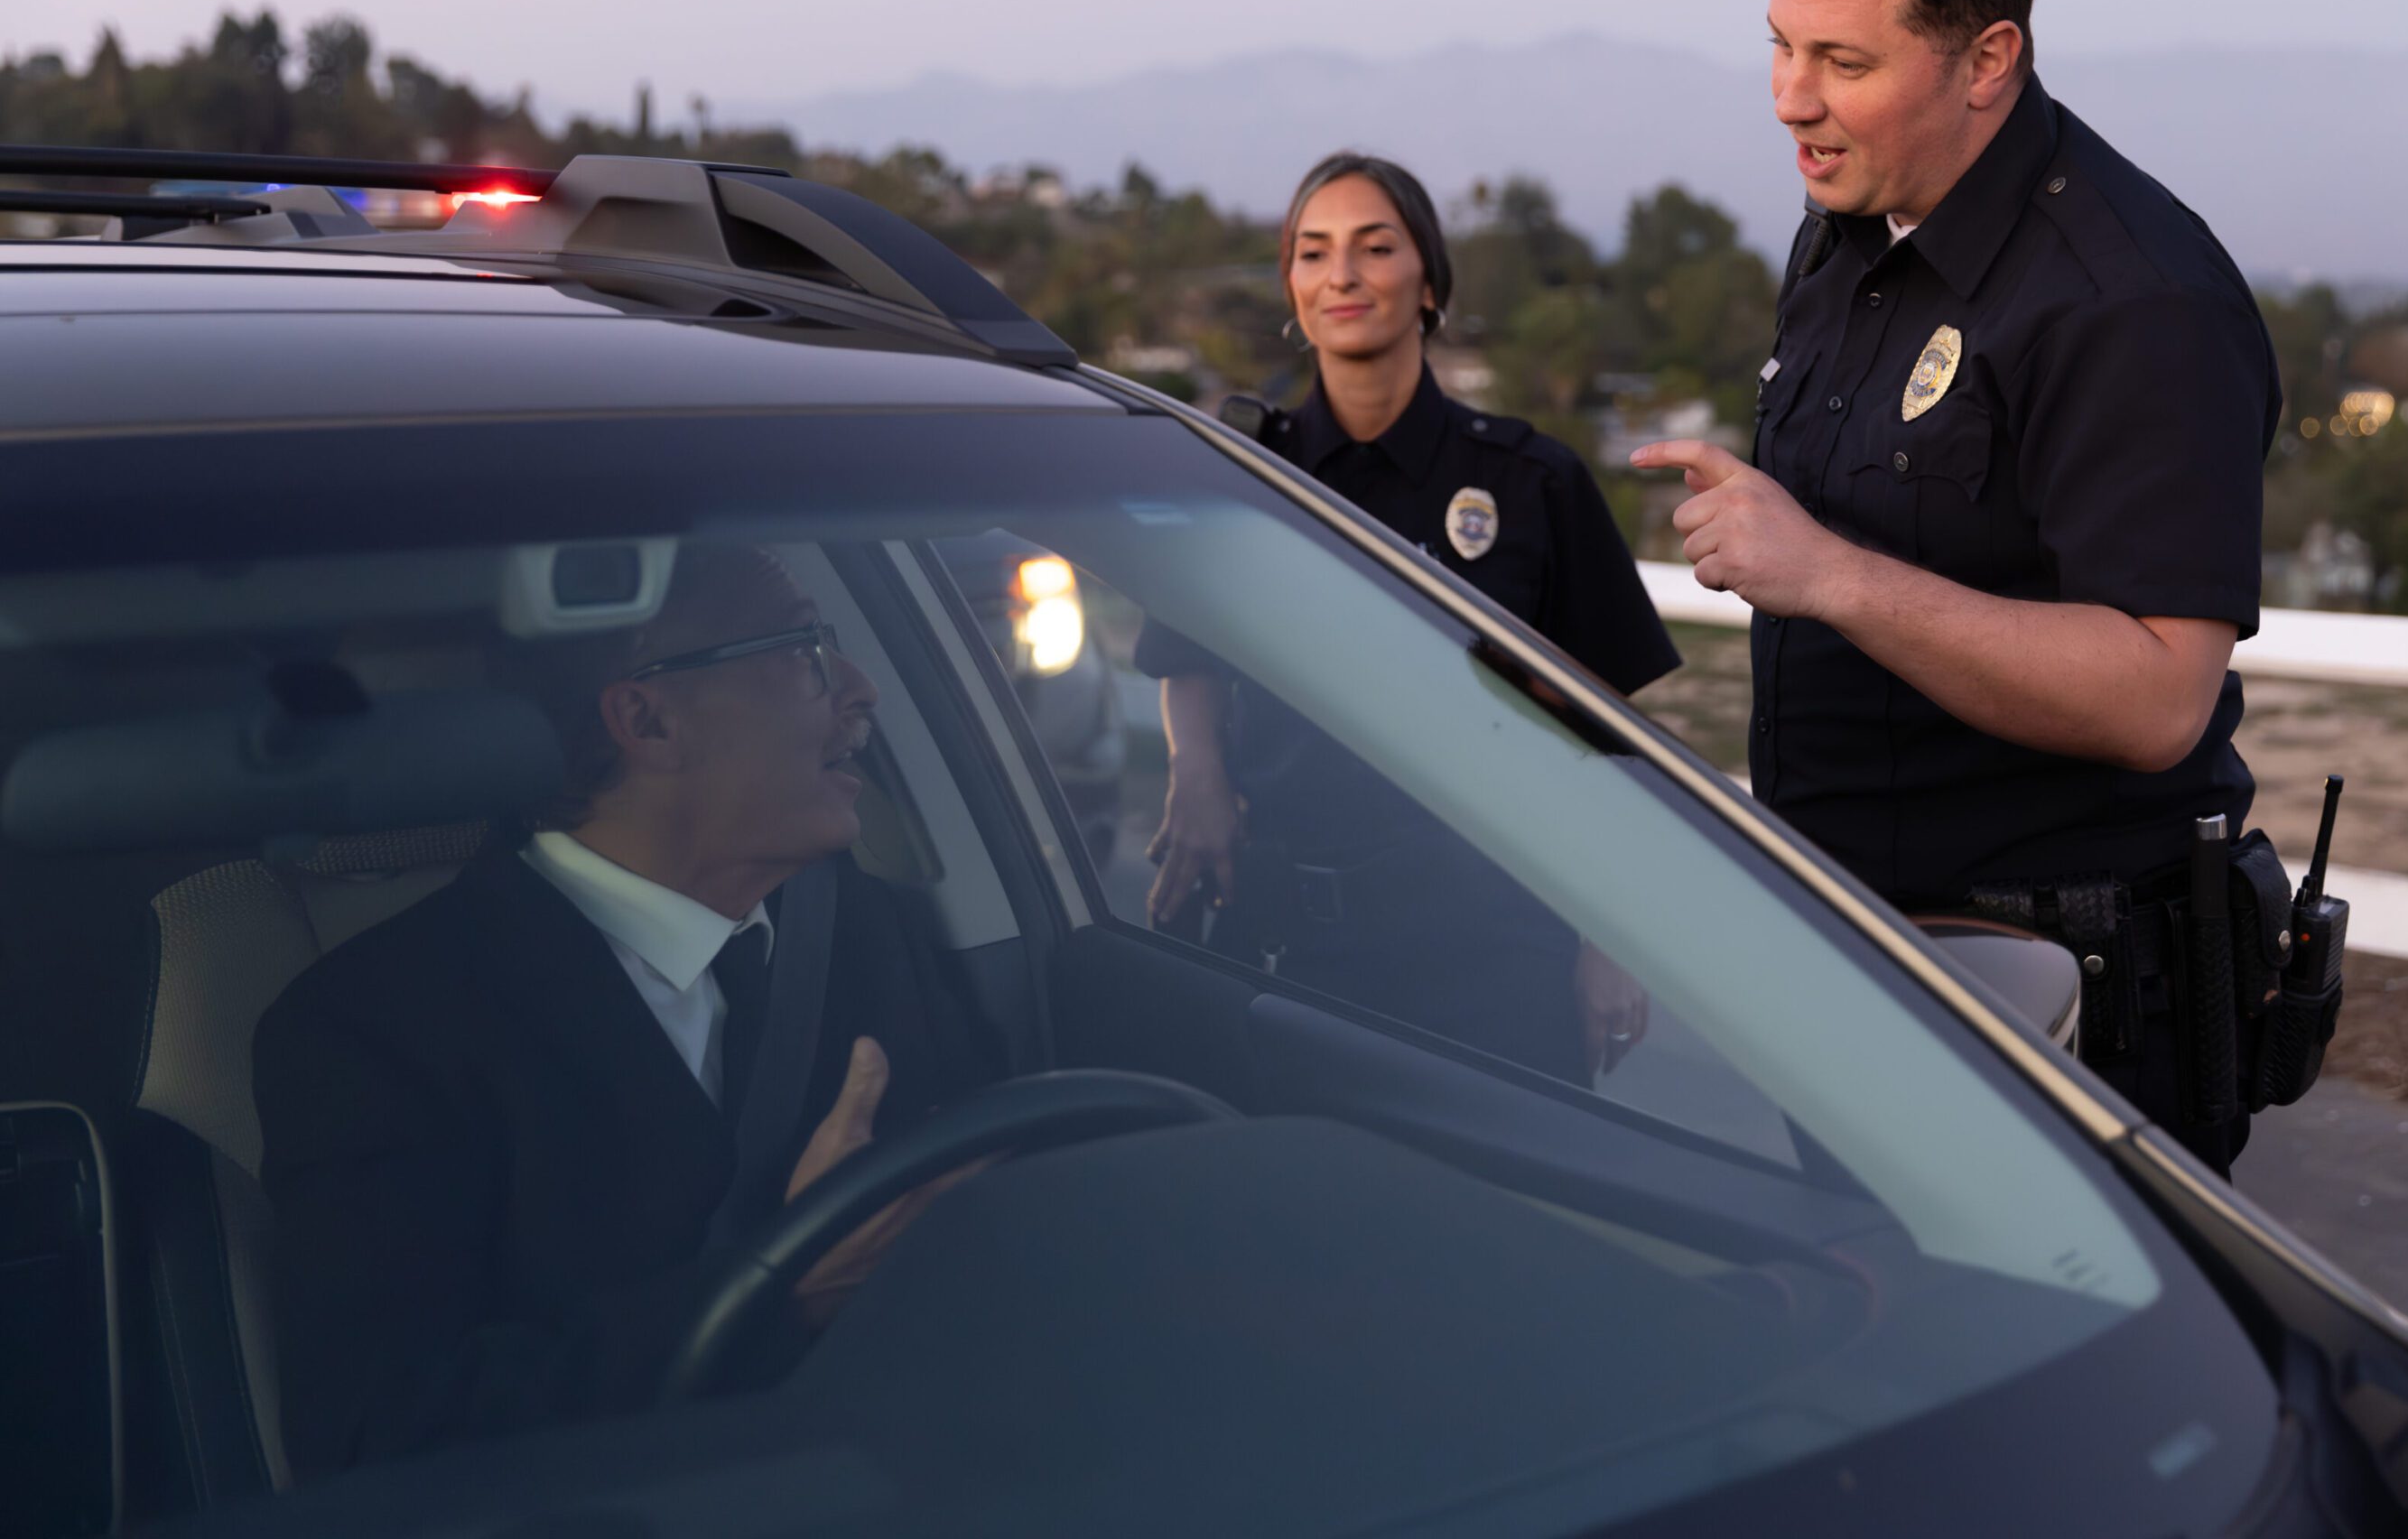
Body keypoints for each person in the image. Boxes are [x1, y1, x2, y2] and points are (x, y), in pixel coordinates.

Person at [1631, 0, 2281, 1173]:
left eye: (1843, 63)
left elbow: (2160, 695)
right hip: (1866, 971)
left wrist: (1830, 576)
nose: (1787, 100)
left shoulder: (2129, 298)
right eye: (1778, 45)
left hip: (2061, 1007)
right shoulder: (1846, 231)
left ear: (1986, 60)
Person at [256, 544, 1002, 1475]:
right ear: (647, 720)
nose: (859, 689)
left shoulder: (867, 925)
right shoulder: (371, 1028)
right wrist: (780, 1293)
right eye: (808, 652)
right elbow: (379, 1435)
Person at [1142, 152, 1679, 1084]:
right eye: (1312, 254)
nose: (1340, 275)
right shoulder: (1239, 480)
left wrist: (1610, 937)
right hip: (1292, 951)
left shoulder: (1528, 482)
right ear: (1292, 289)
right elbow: (1182, 655)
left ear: (1428, 283)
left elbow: (1607, 734)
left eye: (1373, 247)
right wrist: (1194, 769)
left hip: (1497, 956)